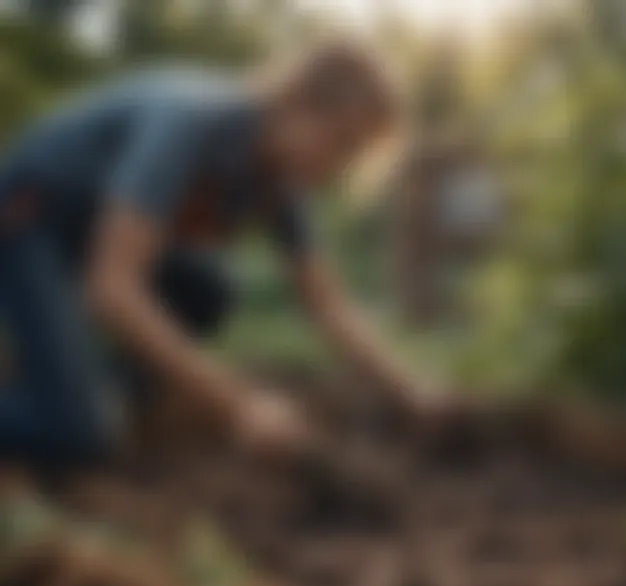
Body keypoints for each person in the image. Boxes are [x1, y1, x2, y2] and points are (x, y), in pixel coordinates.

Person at [0, 41, 441, 469]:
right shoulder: (188, 125)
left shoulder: (280, 183)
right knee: (78, 434)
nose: (340, 167)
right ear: (296, 103)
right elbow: (112, 289)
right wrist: (239, 402)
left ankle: (90, 393)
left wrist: (410, 391)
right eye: (341, 143)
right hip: (28, 219)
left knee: (209, 289)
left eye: (356, 155)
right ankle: (69, 411)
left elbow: (327, 305)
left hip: (85, 239)